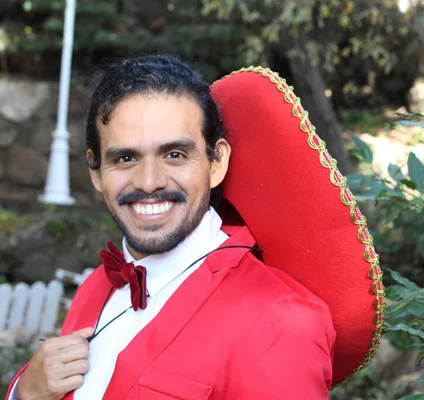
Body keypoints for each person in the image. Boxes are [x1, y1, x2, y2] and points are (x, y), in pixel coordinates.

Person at [6, 55, 383, 400]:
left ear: (215, 163)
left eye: (174, 154)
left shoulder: (282, 322)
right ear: (96, 173)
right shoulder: (96, 286)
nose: (149, 181)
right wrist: (26, 392)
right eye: (125, 158)